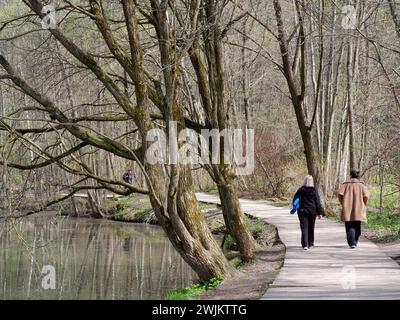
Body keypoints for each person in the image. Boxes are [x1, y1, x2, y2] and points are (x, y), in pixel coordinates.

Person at [337, 169, 369, 249]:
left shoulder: (345, 185)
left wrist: (343, 202)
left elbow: (340, 194)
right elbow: (366, 196)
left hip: (347, 208)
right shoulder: (361, 185)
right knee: (357, 225)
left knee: (349, 225)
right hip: (359, 208)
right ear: (357, 176)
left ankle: (352, 243)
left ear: (350, 175)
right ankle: (355, 241)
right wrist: (363, 203)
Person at [293, 175, 325, 250]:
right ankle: (311, 244)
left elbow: (295, 198)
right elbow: (317, 202)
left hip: (302, 211)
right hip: (312, 212)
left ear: (304, 181)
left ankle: (305, 245)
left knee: (304, 228)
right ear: (312, 181)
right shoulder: (314, 190)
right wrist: (319, 212)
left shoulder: (301, 190)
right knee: (311, 227)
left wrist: (295, 206)